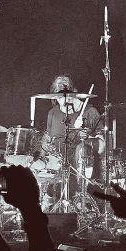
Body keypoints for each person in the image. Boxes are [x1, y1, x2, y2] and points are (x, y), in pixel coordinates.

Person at [41, 74, 104, 202]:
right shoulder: (53, 113)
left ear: (74, 93)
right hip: (59, 168)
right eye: (58, 98)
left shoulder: (89, 111)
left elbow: (103, 146)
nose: (62, 102)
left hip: (83, 171)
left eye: (65, 96)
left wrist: (88, 138)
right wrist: (43, 147)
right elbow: (47, 138)